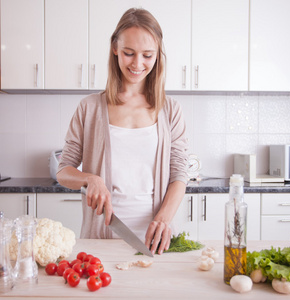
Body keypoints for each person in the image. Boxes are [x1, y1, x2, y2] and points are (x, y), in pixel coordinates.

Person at [56, 8, 188, 255]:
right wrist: (90, 178)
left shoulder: (171, 110)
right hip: (101, 241)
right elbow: (63, 171)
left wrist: (163, 219)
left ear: (158, 55)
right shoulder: (90, 108)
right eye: (129, 53)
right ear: (115, 48)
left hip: (156, 241)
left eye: (148, 55)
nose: (138, 64)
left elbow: (179, 174)